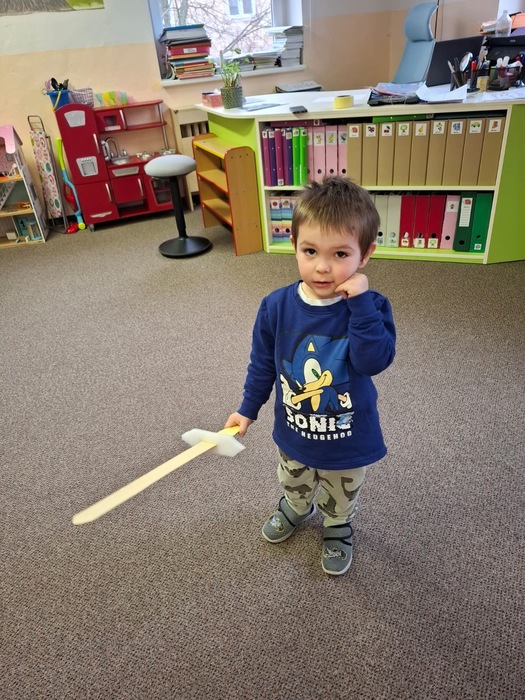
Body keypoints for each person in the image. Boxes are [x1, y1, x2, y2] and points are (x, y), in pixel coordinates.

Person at [225, 176, 396, 575]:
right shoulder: (275, 307)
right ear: (294, 244)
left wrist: (361, 305)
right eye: (310, 251)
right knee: (293, 478)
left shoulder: (372, 308)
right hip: (295, 429)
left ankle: (337, 526)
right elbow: (263, 363)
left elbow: (373, 361)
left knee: (342, 491)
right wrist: (247, 408)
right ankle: (296, 507)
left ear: (365, 255)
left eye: (340, 254)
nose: (322, 266)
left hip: (348, 434)